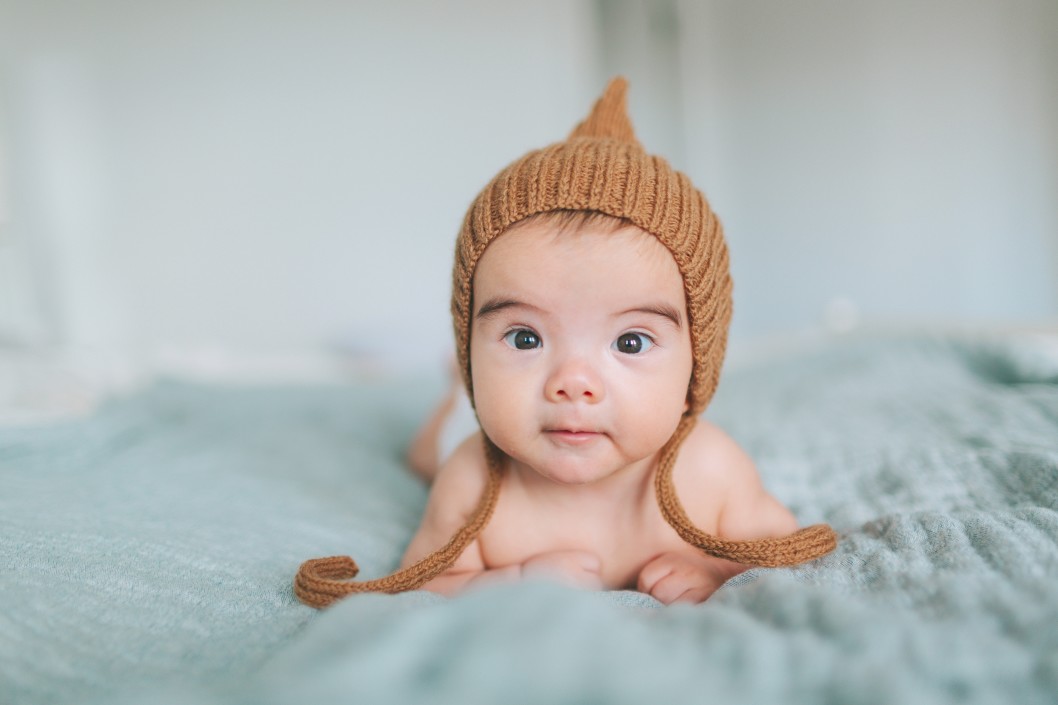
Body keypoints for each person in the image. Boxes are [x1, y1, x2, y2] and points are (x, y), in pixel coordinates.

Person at [294, 77, 836, 609]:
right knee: (427, 450)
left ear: (699, 363)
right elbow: (428, 585)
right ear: (469, 341)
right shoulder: (473, 478)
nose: (572, 382)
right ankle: (456, 392)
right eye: (525, 337)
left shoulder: (711, 472)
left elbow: (780, 552)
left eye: (630, 342)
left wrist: (712, 568)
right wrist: (512, 580)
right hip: (471, 426)